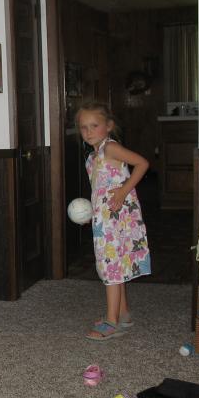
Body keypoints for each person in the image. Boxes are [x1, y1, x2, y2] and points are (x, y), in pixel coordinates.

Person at [77, 102, 151, 341]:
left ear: (108, 126)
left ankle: (112, 322)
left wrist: (123, 191)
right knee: (115, 265)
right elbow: (99, 189)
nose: (88, 131)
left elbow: (142, 163)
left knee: (111, 267)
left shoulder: (110, 148)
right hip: (105, 218)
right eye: (83, 127)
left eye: (94, 125)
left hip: (118, 218)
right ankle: (123, 313)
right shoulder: (94, 155)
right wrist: (92, 214)